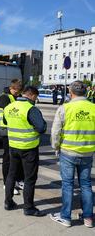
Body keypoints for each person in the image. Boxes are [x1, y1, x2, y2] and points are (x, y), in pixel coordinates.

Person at [50, 81, 94, 228]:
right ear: (86, 92)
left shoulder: (65, 108)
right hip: (87, 153)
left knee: (67, 185)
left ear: (70, 92)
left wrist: (55, 146)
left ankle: (66, 217)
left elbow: (55, 131)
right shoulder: (93, 108)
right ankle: (88, 218)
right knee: (86, 185)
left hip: (68, 152)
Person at [3, 86, 47, 216]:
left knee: (11, 174)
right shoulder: (31, 109)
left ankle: (8, 202)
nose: (36, 100)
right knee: (29, 178)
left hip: (13, 147)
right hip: (28, 148)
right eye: (36, 97)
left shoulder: (9, 107)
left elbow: (6, 121)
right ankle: (28, 208)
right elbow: (42, 127)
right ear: (32, 95)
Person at [0, 79, 24, 195]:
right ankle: (6, 184)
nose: (18, 94)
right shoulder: (4, 97)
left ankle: (17, 180)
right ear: (12, 88)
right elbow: (11, 112)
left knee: (17, 157)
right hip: (6, 130)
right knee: (8, 158)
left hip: (15, 130)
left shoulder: (15, 97)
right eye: (17, 92)